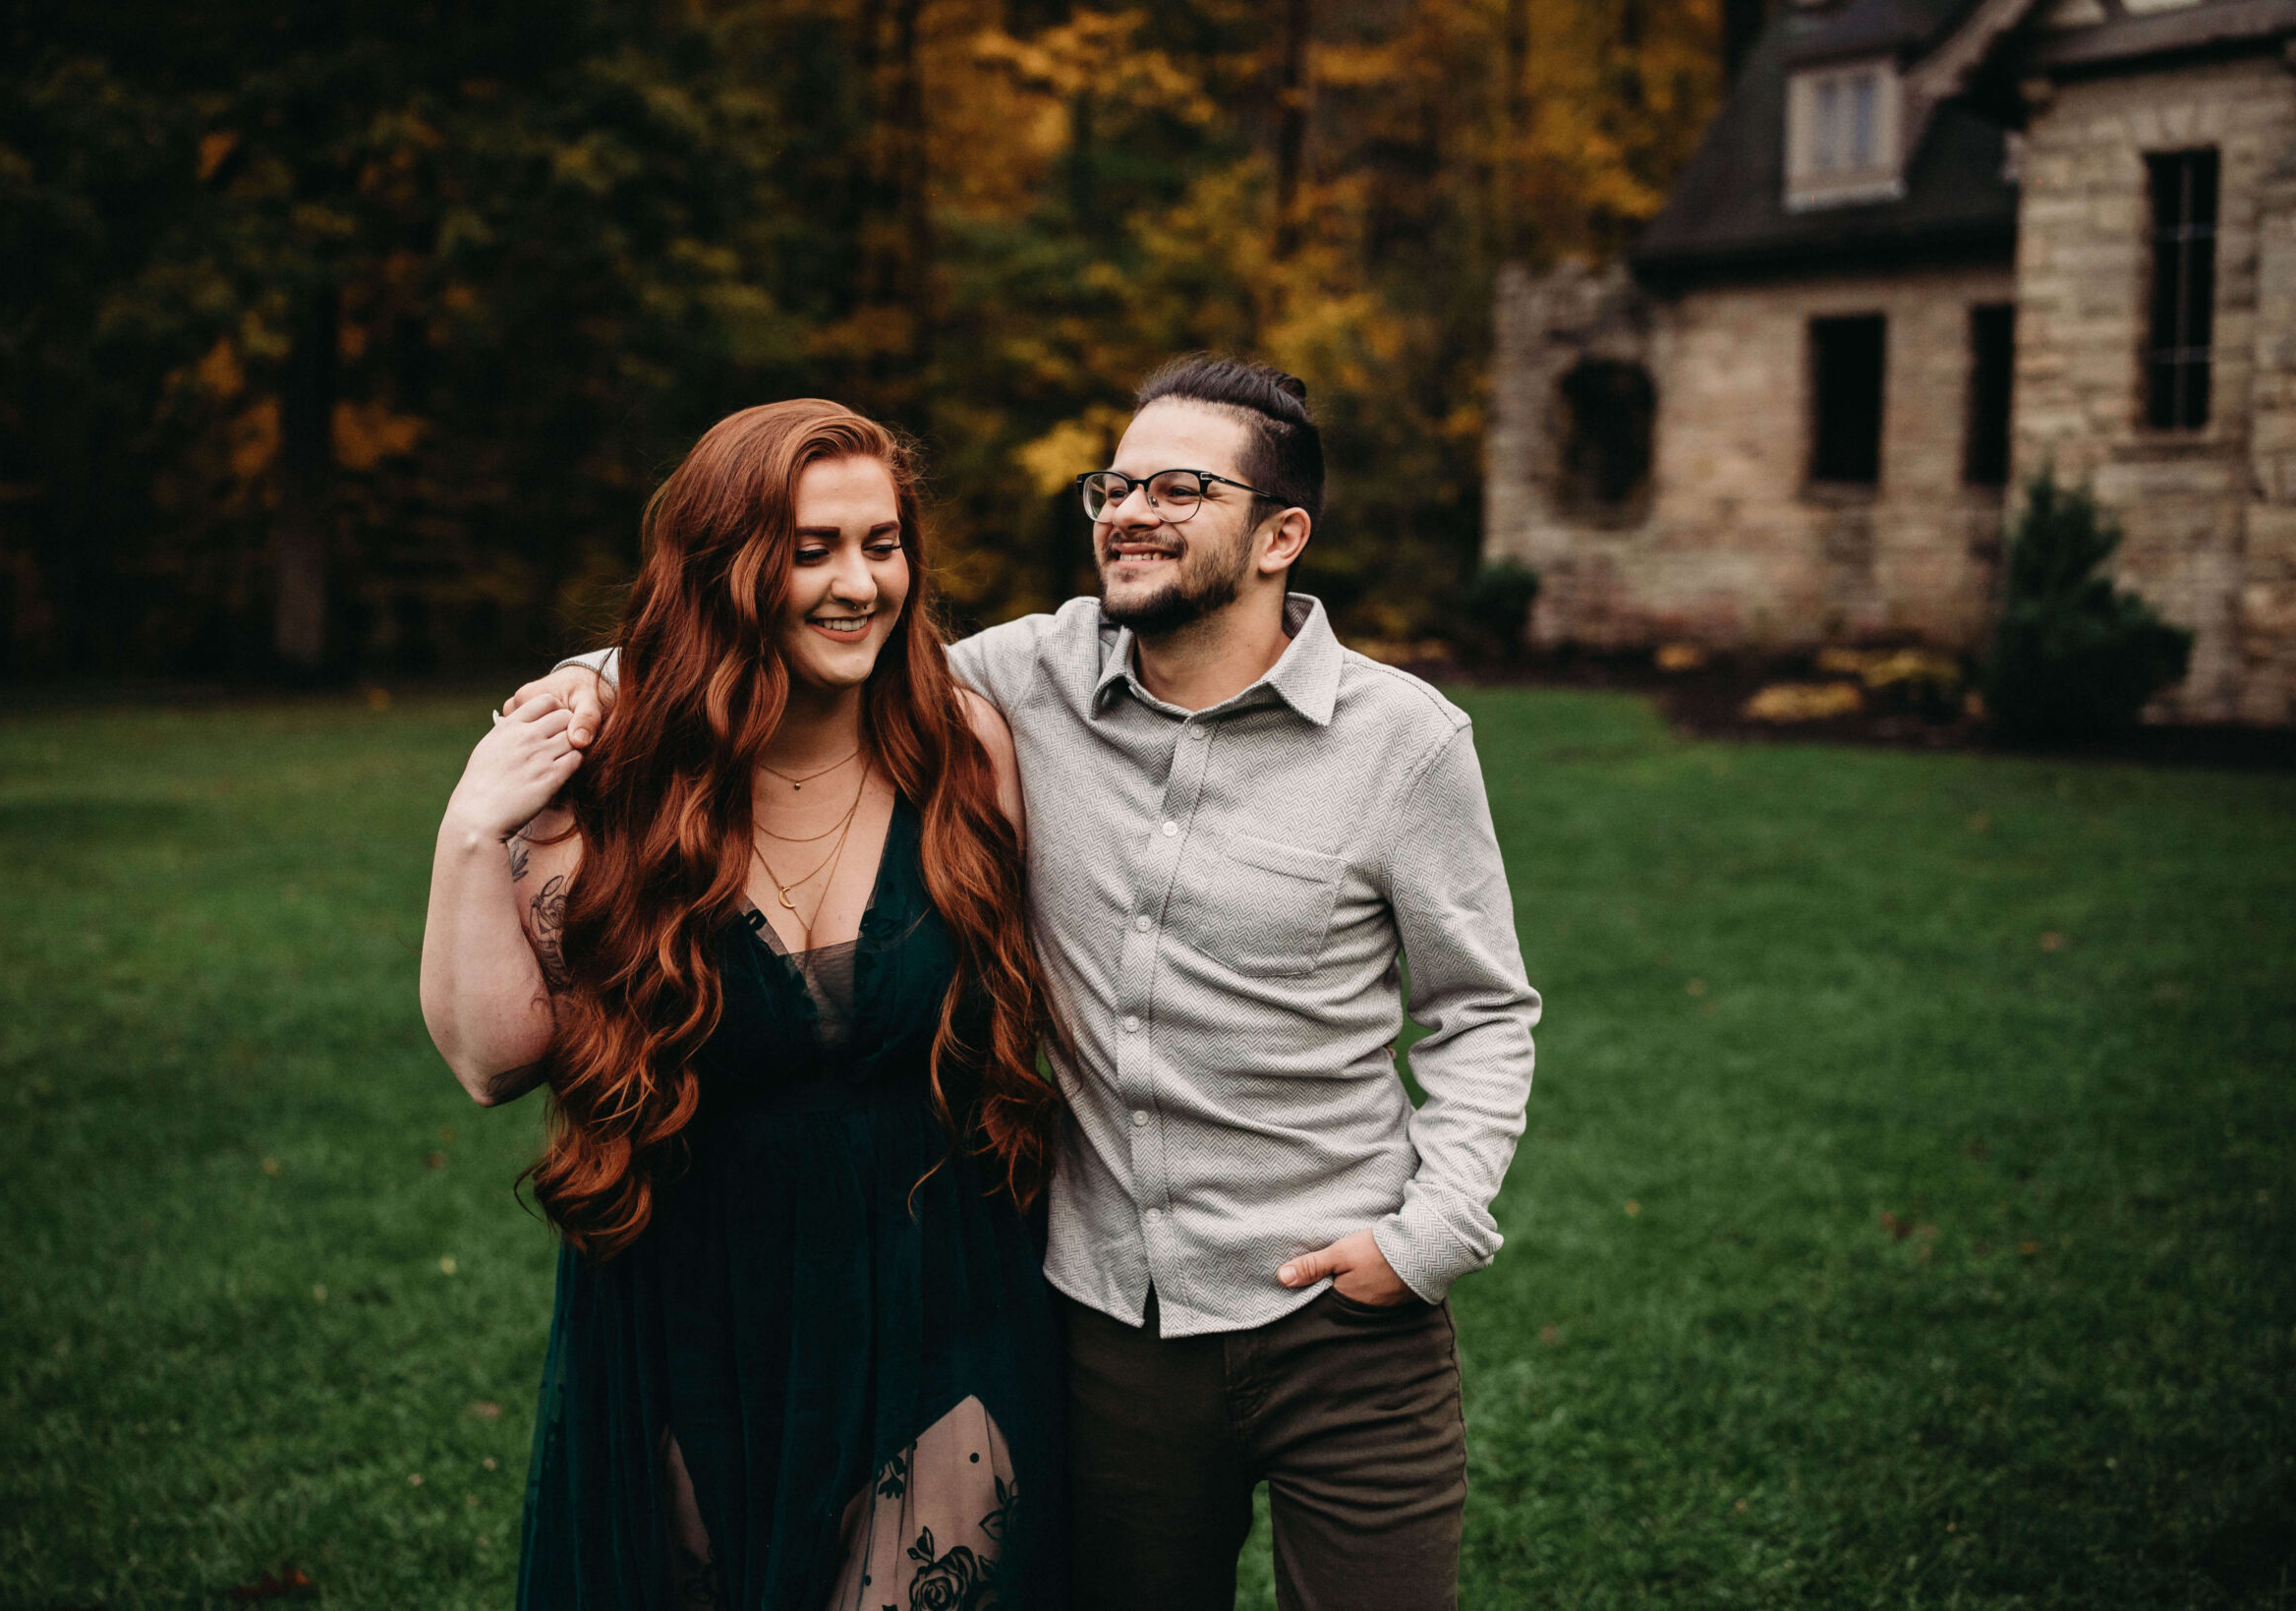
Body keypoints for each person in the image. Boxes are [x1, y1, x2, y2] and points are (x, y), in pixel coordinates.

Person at [519, 356, 1541, 1611]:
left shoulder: (1404, 742)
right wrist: (592, 680)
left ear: (1282, 534)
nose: (1129, 508)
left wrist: (1429, 1235)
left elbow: (1481, 1007)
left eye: (1181, 486)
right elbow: (795, 620)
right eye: (1115, 482)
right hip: (1113, 1324)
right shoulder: (1021, 679)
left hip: (1344, 1313)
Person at [422, 399, 1069, 1610]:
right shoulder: (607, 776)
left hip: (934, 1278)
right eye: (810, 548)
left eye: (881, 544)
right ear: (727, 568)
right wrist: (472, 828)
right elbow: (492, 1059)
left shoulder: (963, 749)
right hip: (687, 1301)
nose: (856, 583)